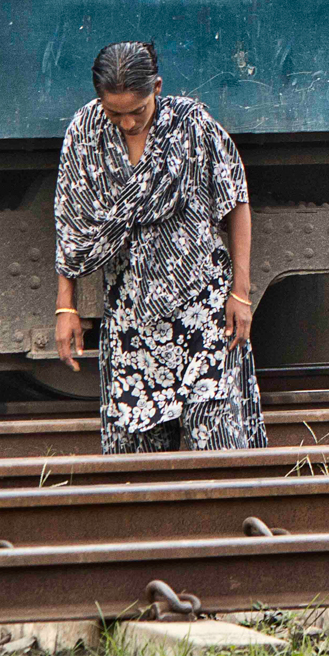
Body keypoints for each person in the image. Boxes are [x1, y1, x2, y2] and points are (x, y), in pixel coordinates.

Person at [52, 42, 267, 454]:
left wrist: (240, 292)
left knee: (217, 442)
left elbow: (236, 201)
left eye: (139, 110)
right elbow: (71, 224)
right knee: (139, 461)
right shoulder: (84, 132)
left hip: (202, 308)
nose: (128, 122)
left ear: (158, 88)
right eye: (115, 113)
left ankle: (227, 515)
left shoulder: (192, 124)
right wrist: (67, 306)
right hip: (131, 319)